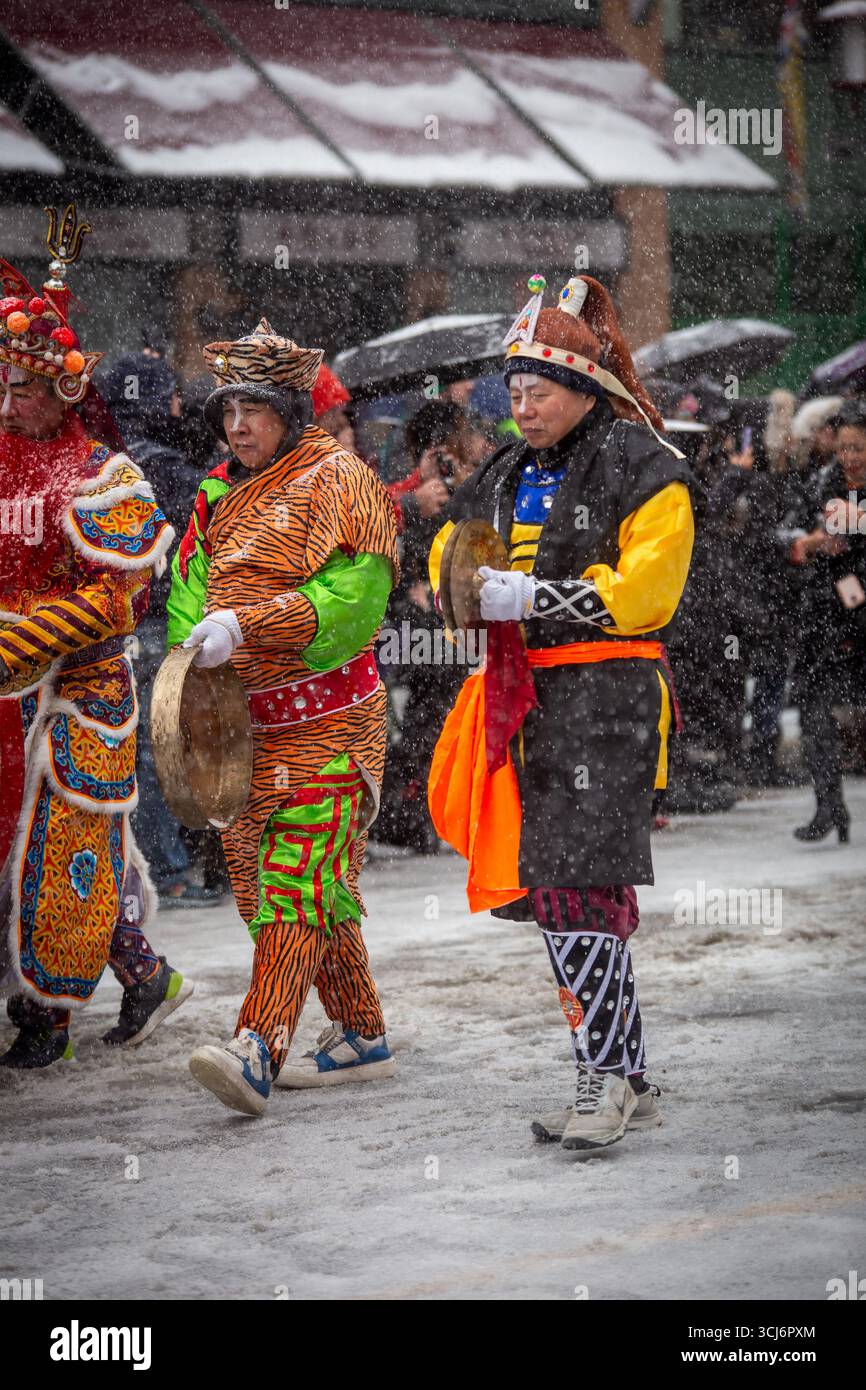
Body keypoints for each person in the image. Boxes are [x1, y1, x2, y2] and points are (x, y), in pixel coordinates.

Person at [427, 274, 694, 1152]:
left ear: (586, 390)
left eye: (538, 389)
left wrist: (532, 594)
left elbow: (647, 595)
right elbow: (449, 549)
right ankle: (628, 1075)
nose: (522, 403)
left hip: (609, 699)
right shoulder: (504, 470)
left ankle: (605, 1077)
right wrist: (460, 582)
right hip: (529, 700)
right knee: (566, 890)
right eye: (513, 388)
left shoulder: (645, 464)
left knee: (577, 890)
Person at [167, 317, 400, 1116]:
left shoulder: (343, 480)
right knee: (275, 896)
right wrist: (188, 660)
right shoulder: (210, 493)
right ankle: (363, 1033)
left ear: (291, 413)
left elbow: (359, 599)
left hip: (333, 722)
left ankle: (257, 1047)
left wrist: (254, 624)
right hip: (242, 730)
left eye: (254, 409)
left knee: (298, 880)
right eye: (228, 409)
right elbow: (188, 592)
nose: (237, 425)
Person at [0, 216, 193, 1067]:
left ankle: (47, 1022)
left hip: (79, 700)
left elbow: (117, 599)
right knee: (19, 861)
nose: (11, 403)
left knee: (55, 862)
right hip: (10, 702)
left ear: (67, 392)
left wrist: (21, 640)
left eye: (27, 389)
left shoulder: (103, 476)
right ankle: (144, 975)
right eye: (4, 385)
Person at [785, 399, 866, 842]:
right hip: (824, 616)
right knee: (814, 710)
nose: (851, 457)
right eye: (845, 447)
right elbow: (786, 532)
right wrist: (812, 542)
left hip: (861, 616)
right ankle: (829, 806)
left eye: (859, 448)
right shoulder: (820, 483)